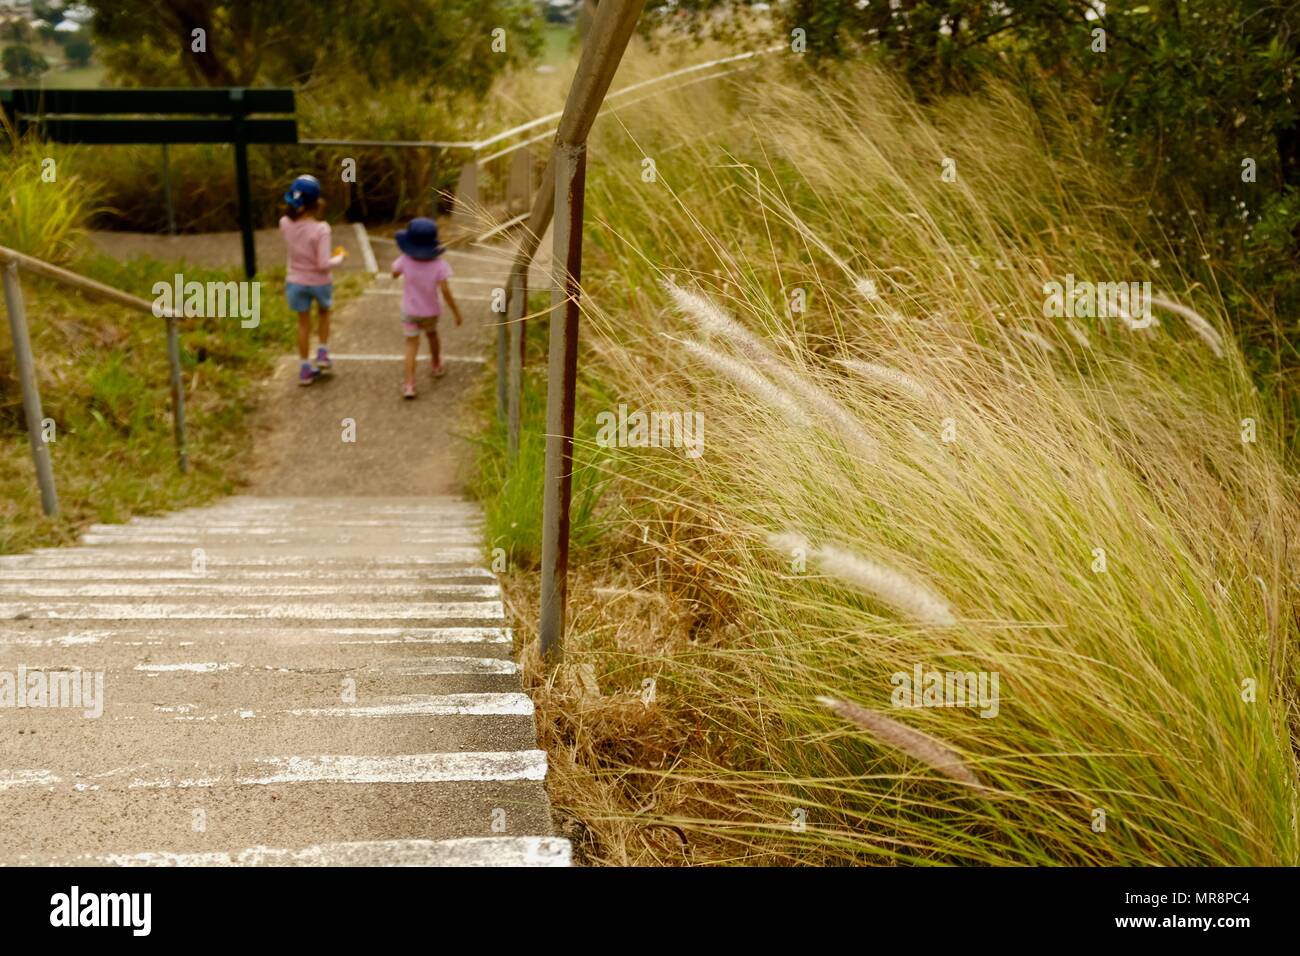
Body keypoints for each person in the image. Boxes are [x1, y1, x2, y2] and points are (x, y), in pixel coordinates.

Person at [280, 174, 346, 386]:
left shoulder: (284, 223)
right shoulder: (321, 229)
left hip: (295, 281)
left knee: (303, 324)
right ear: (317, 203)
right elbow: (323, 263)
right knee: (324, 313)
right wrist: (340, 258)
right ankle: (323, 354)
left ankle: (304, 368)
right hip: (319, 282)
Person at [391, 217, 463, 399]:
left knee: (411, 344)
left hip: (409, 312)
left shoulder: (405, 260)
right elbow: (445, 290)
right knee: (432, 335)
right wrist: (456, 311)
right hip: (430, 312)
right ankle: (436, 365)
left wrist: (401, 272)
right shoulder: (439, 265)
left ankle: (409, 384)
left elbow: (394, 273)